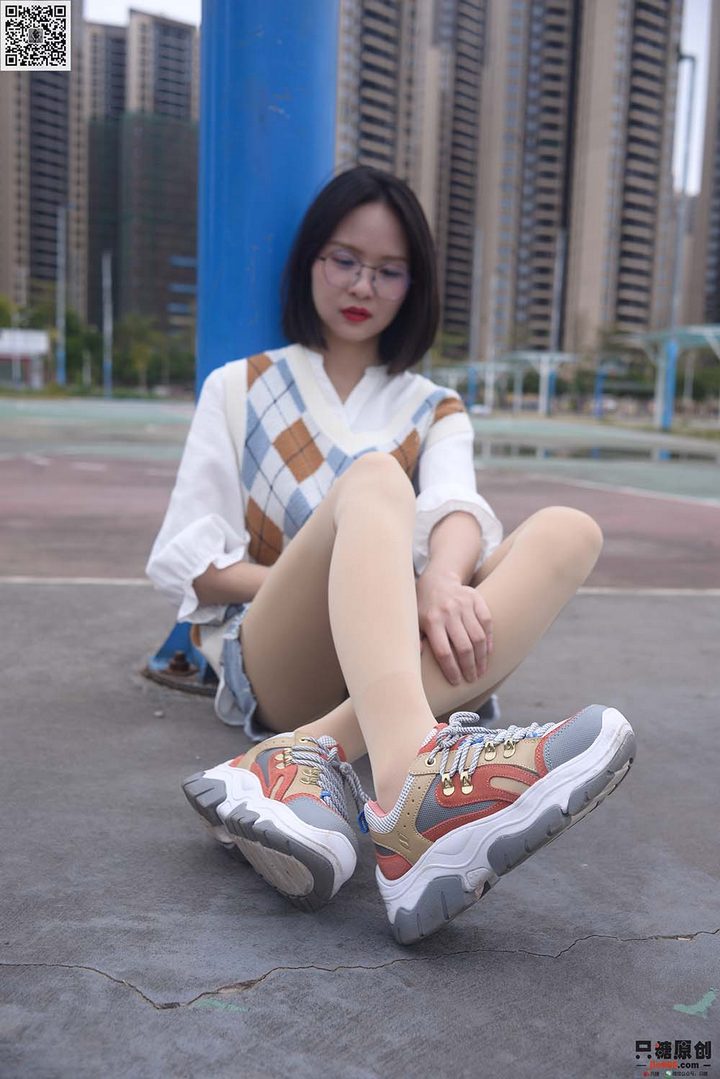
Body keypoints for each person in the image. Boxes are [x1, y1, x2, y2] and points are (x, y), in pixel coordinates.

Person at [147, 165, 635, 945]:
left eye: (389, 270)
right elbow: (197, 564)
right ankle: (414, 786)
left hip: (397, 661)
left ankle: (307, 758)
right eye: (345, 259)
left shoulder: (432, 405)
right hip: (282, 654)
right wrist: (358, 584)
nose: (362, 285)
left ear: (415, 285)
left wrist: (437, 579)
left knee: (569, 530)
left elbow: (456, 507)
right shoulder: (240, 386)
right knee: (375, 476)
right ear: (310, 259)